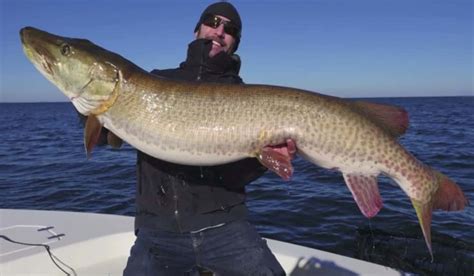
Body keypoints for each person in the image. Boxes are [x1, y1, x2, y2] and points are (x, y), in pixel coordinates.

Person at [122, 2, 295, 275]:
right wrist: (88, 107)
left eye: (230, 29)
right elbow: (105, 136)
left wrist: (266, 159)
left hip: (226, 226)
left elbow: (237, 176)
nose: (219, 31)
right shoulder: (156, 81)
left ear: (235, 42)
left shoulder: (244, 97)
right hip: (158, 229)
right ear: (197, 30)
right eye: (213, 21)